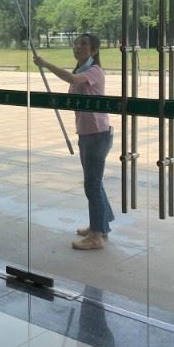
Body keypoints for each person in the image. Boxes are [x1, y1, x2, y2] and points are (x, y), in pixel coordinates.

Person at [34, 33, 113, 250]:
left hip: (97, 134)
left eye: (83, 44)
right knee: (94, 183)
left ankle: (96, 236)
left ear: (94, 50)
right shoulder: (80, 71)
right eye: (76, 44)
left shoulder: (94, 71)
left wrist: (45, 64)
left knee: (92, 185)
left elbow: (72, 80)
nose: (77, 47)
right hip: (86, 133)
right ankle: (101, 226)